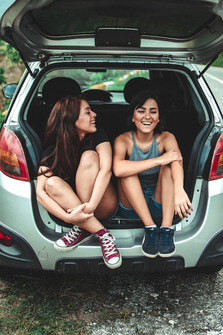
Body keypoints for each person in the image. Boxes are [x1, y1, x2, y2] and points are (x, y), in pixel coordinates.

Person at [36, 96, 122, 269]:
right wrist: (69, 218)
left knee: (89, 156)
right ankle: (102, 234)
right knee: (51, 183)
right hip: (75, 212)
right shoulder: (53, 149)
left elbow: (106, 170)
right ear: (71, 118)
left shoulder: (98, 135)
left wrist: (87, 210)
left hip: (102, 204)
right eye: (88, 111)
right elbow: (40, 193)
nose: (94, 114)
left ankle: (83, 227)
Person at [113, 90, 193, 258]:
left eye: (153, 111)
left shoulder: (167, 137)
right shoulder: (123, 140)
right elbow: (118, 169)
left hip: (161, 205)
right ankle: (150, 228)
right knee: (127, 171)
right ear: (133, 116)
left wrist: (179, 189)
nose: (147, 116)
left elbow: (177, 161)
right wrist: (159, 160)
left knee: (169, 167)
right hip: (131, 206)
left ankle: (165, 229)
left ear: (158, 118)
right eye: (141, 111)